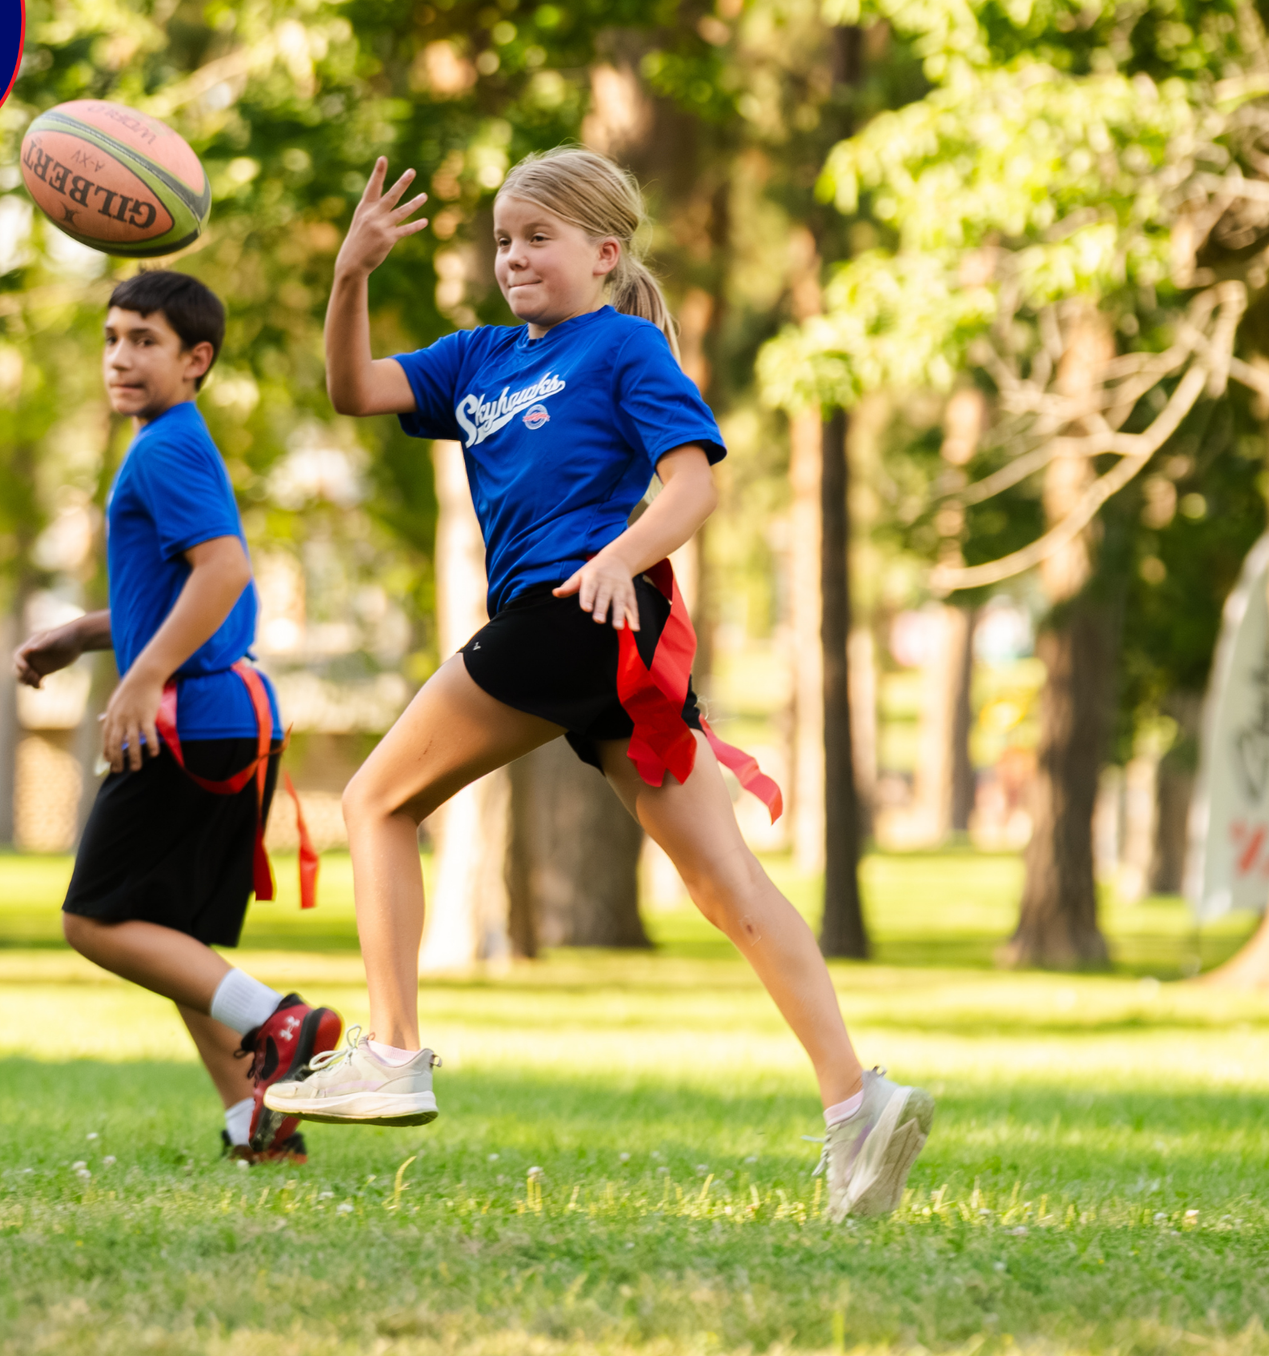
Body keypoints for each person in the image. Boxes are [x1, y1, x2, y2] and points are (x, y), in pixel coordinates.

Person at [265, 150, 934, 1218]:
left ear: (605, 254)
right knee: (727, 884)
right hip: (601, 634)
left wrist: (622, 553)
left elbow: (691, 481)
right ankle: (856, 1104)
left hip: (582, 614)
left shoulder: (622, 345)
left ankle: (392, 1051)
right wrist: (351, 276)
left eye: (538, 238)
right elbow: (352, 389)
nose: (513, 257)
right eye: (501, 240)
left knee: (373, 800)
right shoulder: (477, 358)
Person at [15, 269, 339, 1164]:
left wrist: (139, 677)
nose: (121, 357)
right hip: (227, 714)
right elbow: (175, 588)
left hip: (194, 720)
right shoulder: (170, 440)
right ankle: (258, 1124)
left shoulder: (162, 449)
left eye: (145, 341)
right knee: (174, 938)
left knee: (97, 921)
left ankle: (282, 1022)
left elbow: (224, 572)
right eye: (113, 337)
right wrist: (85, 637)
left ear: (196, 359)